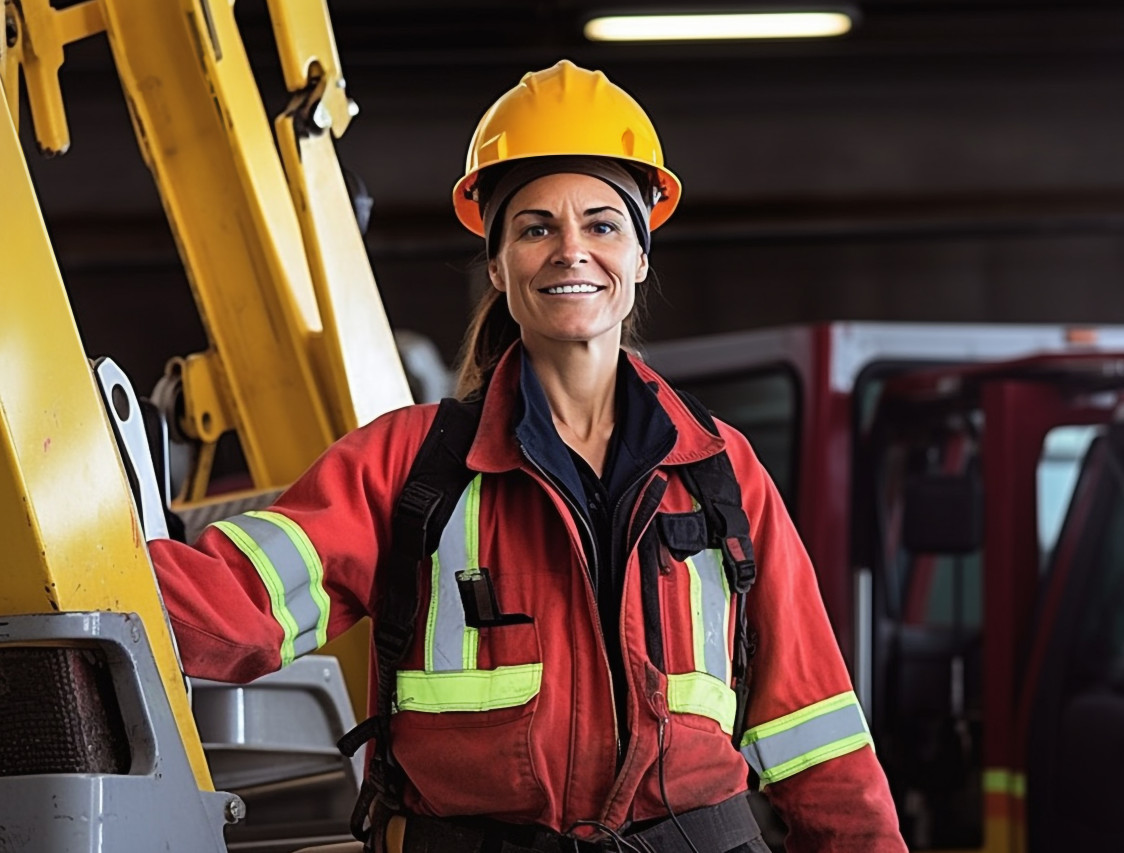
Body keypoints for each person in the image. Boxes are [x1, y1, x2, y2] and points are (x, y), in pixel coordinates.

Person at [150, 60, 906, 853]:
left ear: (641, 256)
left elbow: (818, 738)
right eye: (537, 226)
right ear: (500, 262)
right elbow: (232, 600)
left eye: (603, 224)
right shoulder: (410, 466)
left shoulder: (720, 471)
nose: (570, 250)